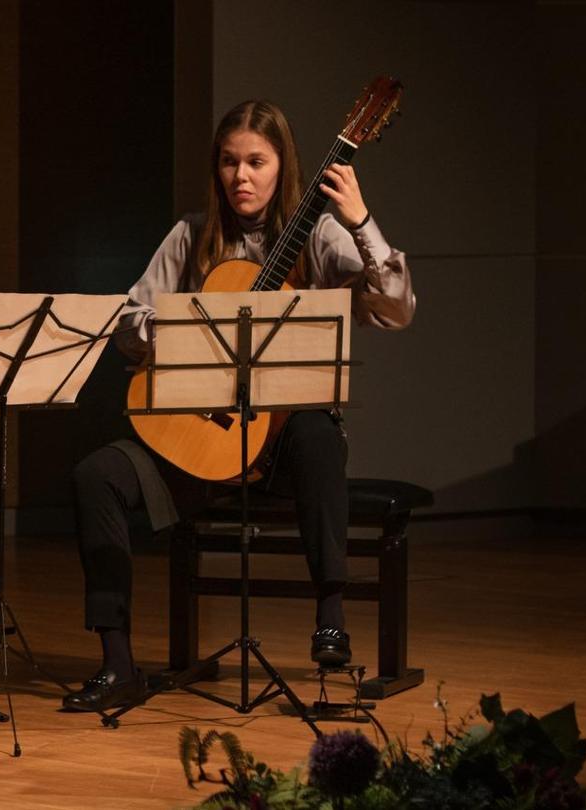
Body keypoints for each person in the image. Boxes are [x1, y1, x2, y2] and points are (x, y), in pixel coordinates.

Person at [61, 98, 416, 713]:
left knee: (316, 430)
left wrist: (361, 221)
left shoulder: (322, 235)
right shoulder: (190, 236)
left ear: (284, 166)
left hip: (279, 453)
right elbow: (126, 322)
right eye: (229, 162)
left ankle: (330, 615)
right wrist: (173, 332)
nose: (241, 176)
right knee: (97, 475)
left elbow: (395, 309)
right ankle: (117, 664)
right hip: (197, 443)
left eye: (256, 161)